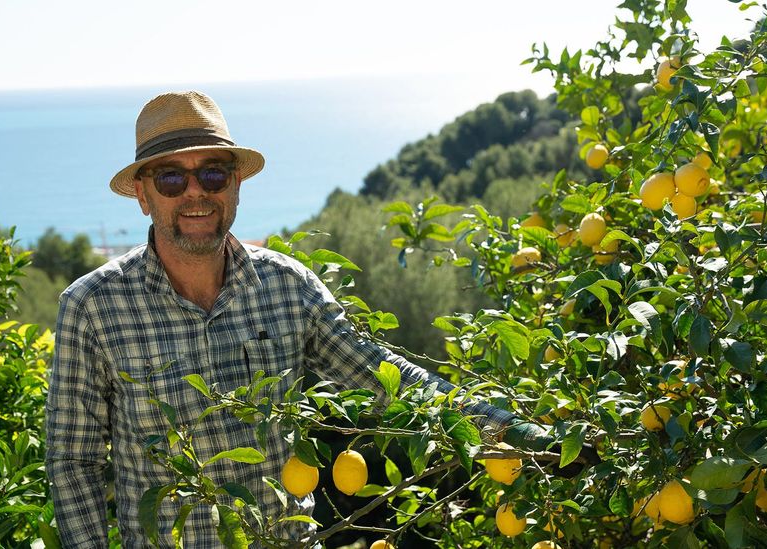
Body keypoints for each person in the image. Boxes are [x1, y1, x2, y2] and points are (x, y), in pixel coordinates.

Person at [45, 90, 551, 547]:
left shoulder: (288, 286)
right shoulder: (92, 307)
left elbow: (383, 377)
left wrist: (509, 430)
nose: (195, 192)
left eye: (213, 173)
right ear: (143, 194)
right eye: (172, 177)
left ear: (235, 184)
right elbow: (73, 463)